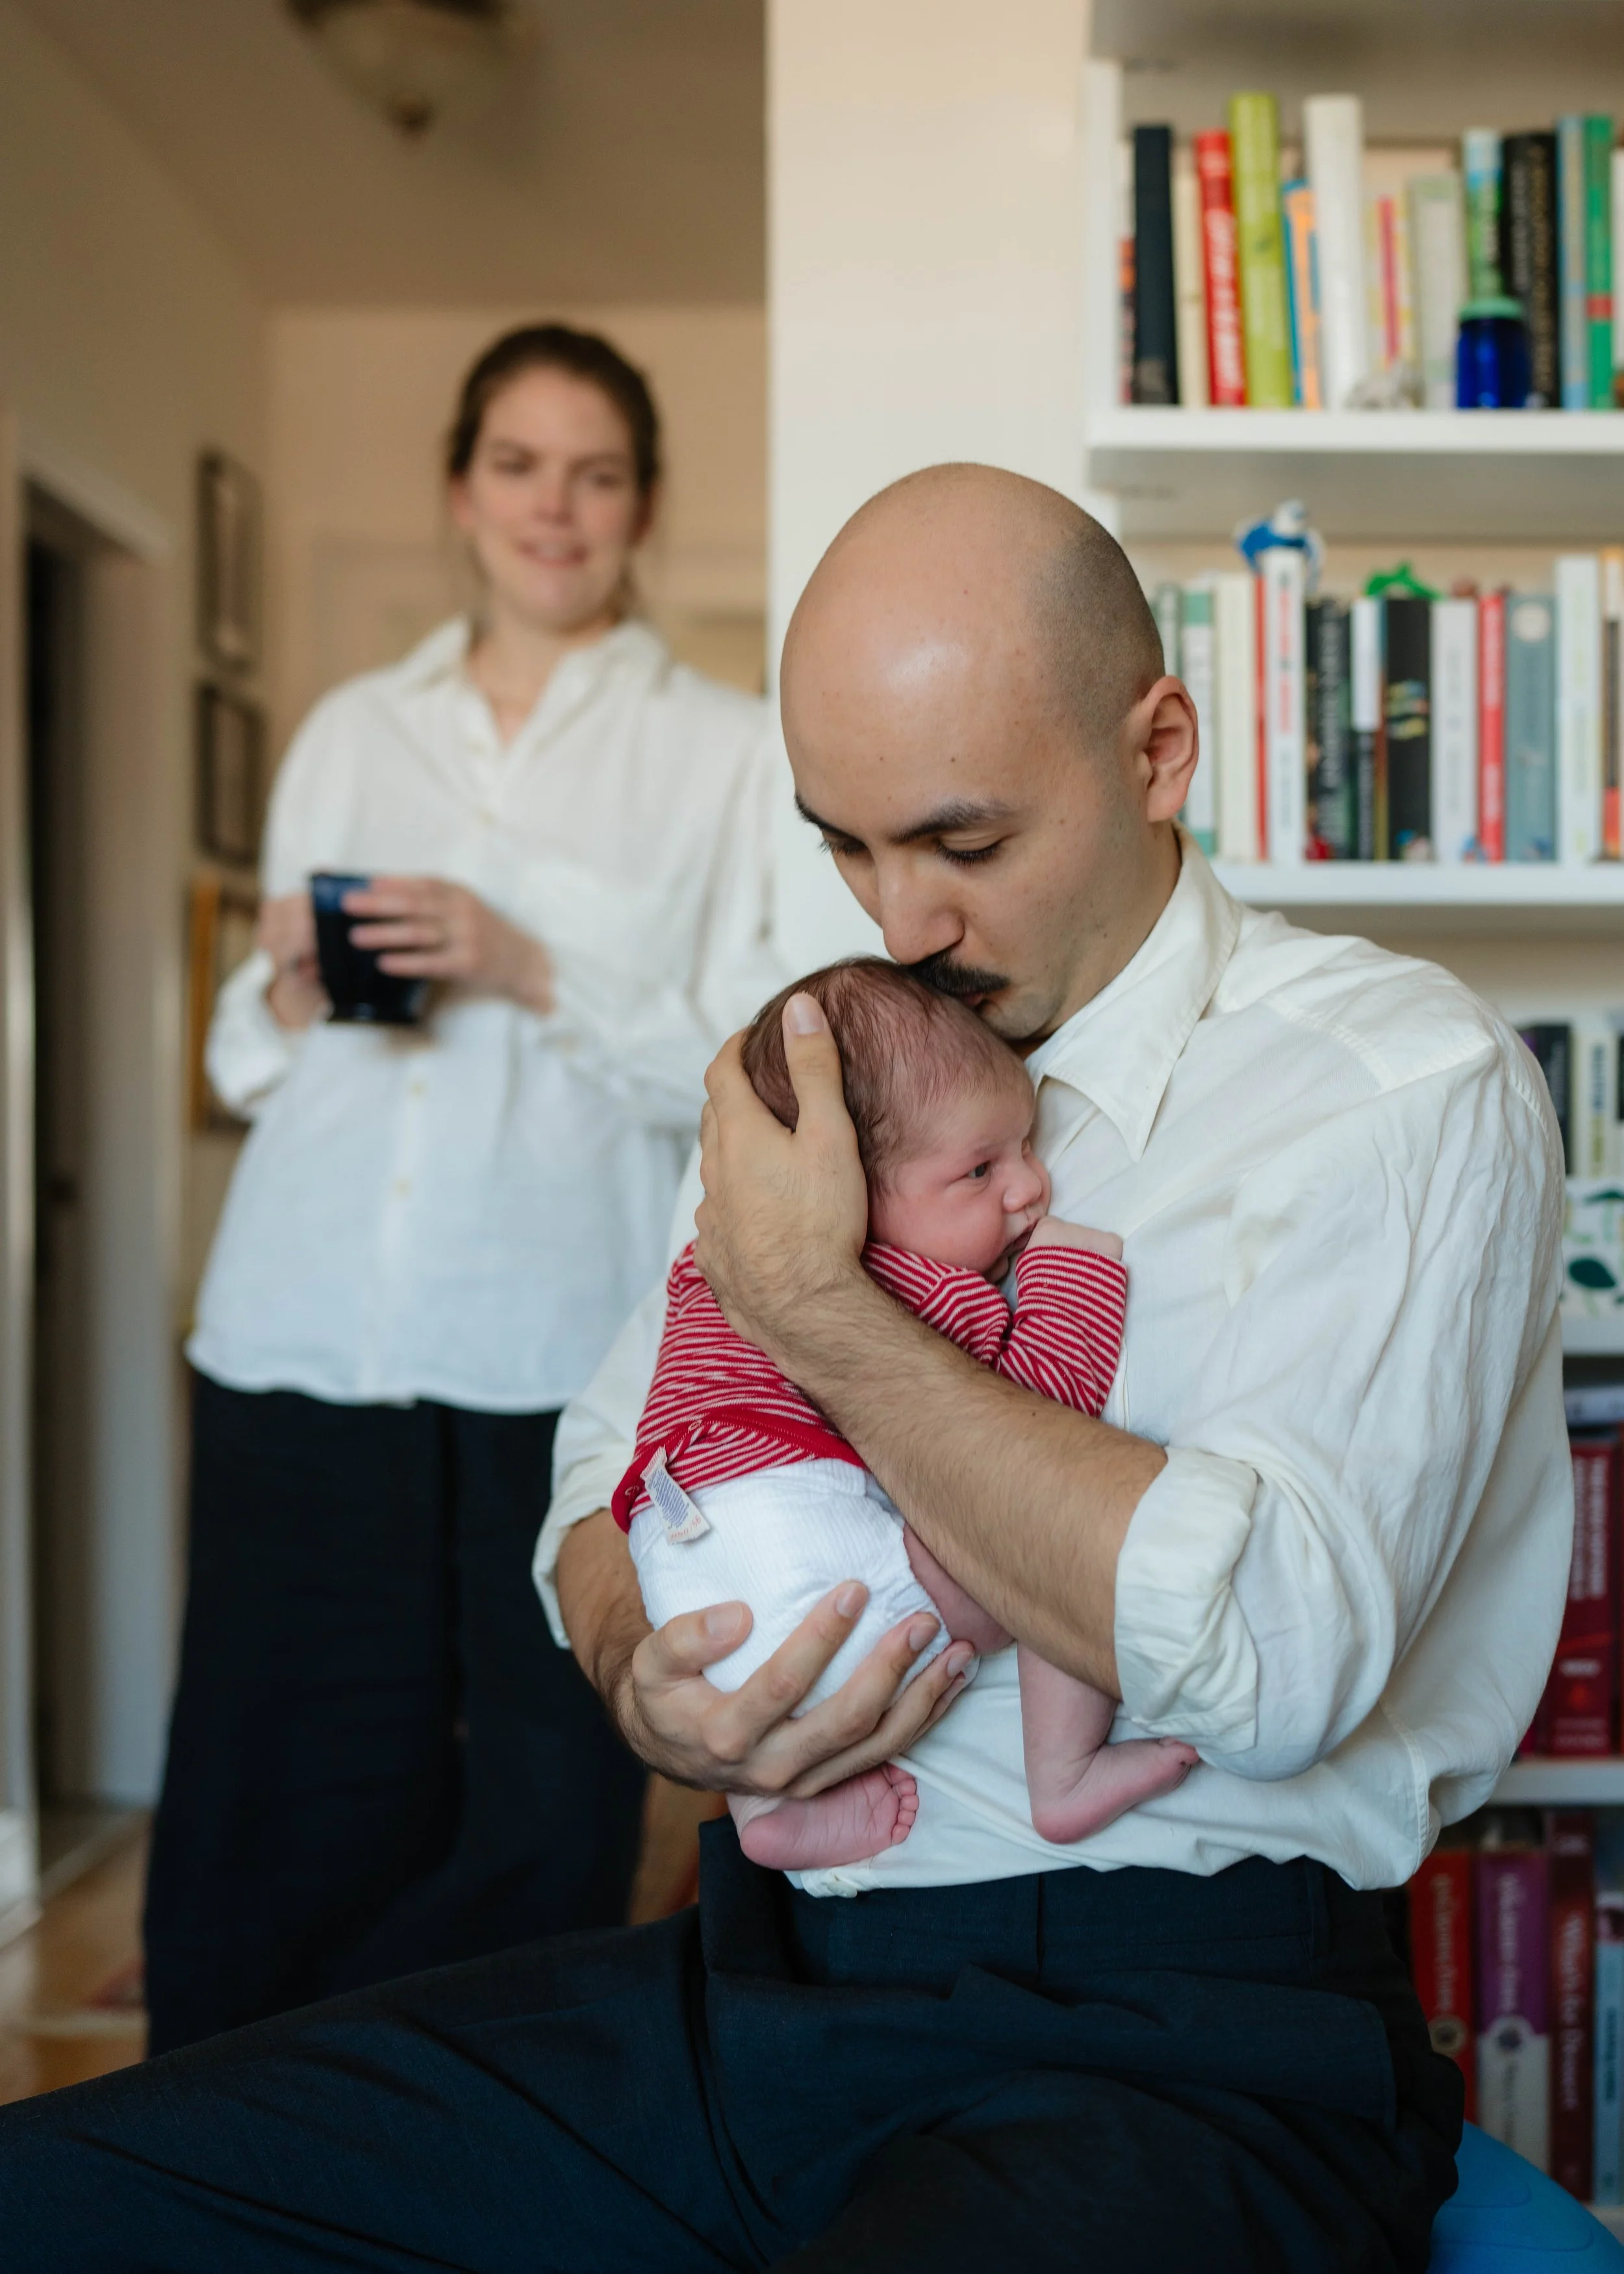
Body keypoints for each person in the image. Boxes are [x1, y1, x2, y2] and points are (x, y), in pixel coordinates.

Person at [1, 466, 1571, 2271]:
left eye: (963, 846)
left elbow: (1277, 1652)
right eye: (844, 841)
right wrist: (637, 1675)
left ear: (1157, 749)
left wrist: (819, 1309)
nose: (897, 922)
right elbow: (601, 1471)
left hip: (1174, 2038)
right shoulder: (827, 1061)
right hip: (745, 1986)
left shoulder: (1393, 1087)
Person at [142, 323, 783, 2052]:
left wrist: (522, 959)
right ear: (459, 486)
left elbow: (744, 1066)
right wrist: (283, 984)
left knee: (544, 1816)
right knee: (272, 1797)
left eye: (593, 472)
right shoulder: (354, 729)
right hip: (303, 1330)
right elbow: (239, 1058)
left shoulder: (724, 750)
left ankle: (462, 2154)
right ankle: (223, 2157)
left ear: (642, 504)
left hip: (551, 1350)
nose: (551, 507)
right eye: (516, 463)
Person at [618, 954, 1195, 1872]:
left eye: (1026, 1148)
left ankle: (763, 1805)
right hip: (811, 1558)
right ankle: (1067, 1772)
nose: (1030, 1188)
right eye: (978, 1171)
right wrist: (1070, 1273)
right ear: (841, 1188)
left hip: (676, 1567)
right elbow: (1038, 1411)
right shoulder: (904, 1281)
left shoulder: (714, 1262)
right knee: (1050, 1543)